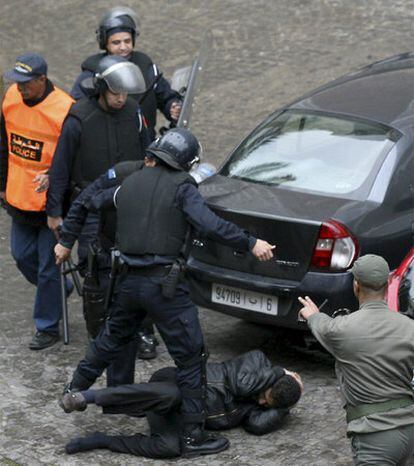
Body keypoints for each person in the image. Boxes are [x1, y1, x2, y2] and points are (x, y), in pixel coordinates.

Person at [55, 128, 276, 457]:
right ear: (187, 163)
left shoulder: (127, 184)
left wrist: (69, 238)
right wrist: (250, 243)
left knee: (110, 339)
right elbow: (208, 224)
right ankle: (192, 436)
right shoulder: (183, 187)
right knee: (191, 357)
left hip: (127, 282)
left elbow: (92, 200)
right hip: (165, 287)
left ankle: (75, 389)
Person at [46, 55, 156, 361]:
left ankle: (143, 331)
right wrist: (55, 211)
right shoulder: (78, 118)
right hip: (91, 208)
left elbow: (149, 151)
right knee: (95, 272)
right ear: (101, 89)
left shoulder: (134, 112)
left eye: (125, 94)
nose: (121, 99)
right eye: (115, 93)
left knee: (140, 268)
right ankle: (101, 333)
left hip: (130, 204)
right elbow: (60, 166)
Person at [60, 350, 303, 459]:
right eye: (265, 395)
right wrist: (280, 372)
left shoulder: (258, 407)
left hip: (184, 417)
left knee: (170, 448)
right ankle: (89, 397)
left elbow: (257, 427)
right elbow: (241, 385)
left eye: (266, 404)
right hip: (174, 385)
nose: (260, 402)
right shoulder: (256, 361)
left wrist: (282, 405)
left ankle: (103, 440)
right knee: (172, 395)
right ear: (272, 378)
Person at [298, 254, 414, 466]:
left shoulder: (341, 329)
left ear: (356, 285)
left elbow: (321, 325)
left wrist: (312, 315)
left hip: (374, 436)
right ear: (388, 284)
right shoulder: (410, 327)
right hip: (410, 428)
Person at [0, 53, 74, 350]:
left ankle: (47, 326)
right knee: (21, 256)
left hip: (51, 205)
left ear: (42, 80)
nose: (19, 88)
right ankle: (58, 291)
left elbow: (70, 160)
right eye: (16, 83)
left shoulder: (64, 109)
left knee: (48, 267)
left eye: (25, 83)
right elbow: (3, 144)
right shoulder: (11, 99)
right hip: (19, 198)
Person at [71, 6, 182, 141]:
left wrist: (172, 107)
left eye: (127, 41)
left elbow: (165, 96)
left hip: (144, 144)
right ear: (105, 43)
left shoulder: (146, 66)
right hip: (105, 143)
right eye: (116, 42)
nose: (123, 47)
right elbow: (76, 108)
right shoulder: (93, 72)